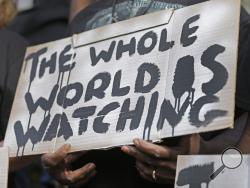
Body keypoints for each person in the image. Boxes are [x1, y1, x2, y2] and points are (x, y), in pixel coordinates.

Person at [41, 0, 250, 188]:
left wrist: (199, 166)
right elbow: (59, 134)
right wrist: (54, 162)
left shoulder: (228, 18)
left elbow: (242, 161)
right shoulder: (84, 20)